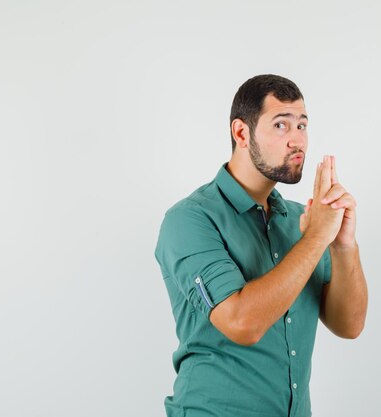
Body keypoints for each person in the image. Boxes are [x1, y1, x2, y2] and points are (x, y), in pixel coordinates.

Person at [154, 74, 368, 417]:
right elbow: (243, 323)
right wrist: (316, 238)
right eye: (281, 125)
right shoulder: (190, 220)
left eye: (302, 125)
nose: (297, 141)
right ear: (241, 133)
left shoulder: (304, 221)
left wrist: (342, 244)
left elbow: (350, 325)